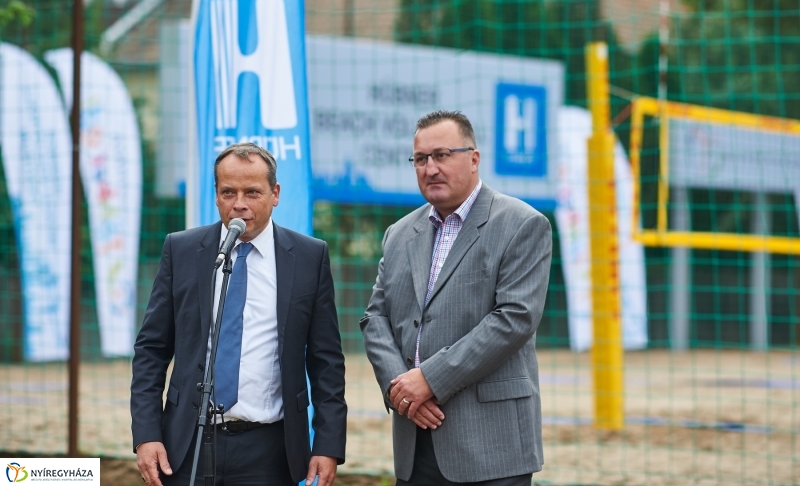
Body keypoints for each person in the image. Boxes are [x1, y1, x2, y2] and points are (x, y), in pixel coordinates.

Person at [131, 143, 347, 486]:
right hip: (187, 443)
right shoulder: (182, 250)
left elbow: (326, 362)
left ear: (275, 194)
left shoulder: (308, 257)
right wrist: (146, 434)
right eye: (228, 192)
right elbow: (151, 350)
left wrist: (328, 443)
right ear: (216, 195)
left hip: (270, 450)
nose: (239, 204)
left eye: (252, 192)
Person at [360, 110, 552, 485]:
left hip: (492, 450)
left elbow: (514, 319)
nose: (430, 168)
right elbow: (375, 318)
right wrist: (403, 388)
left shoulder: (522, 224)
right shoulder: (398, 234)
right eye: (420, 158)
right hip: (414, 444)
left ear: (474, 159)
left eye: (442, 155)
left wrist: (429, 380)